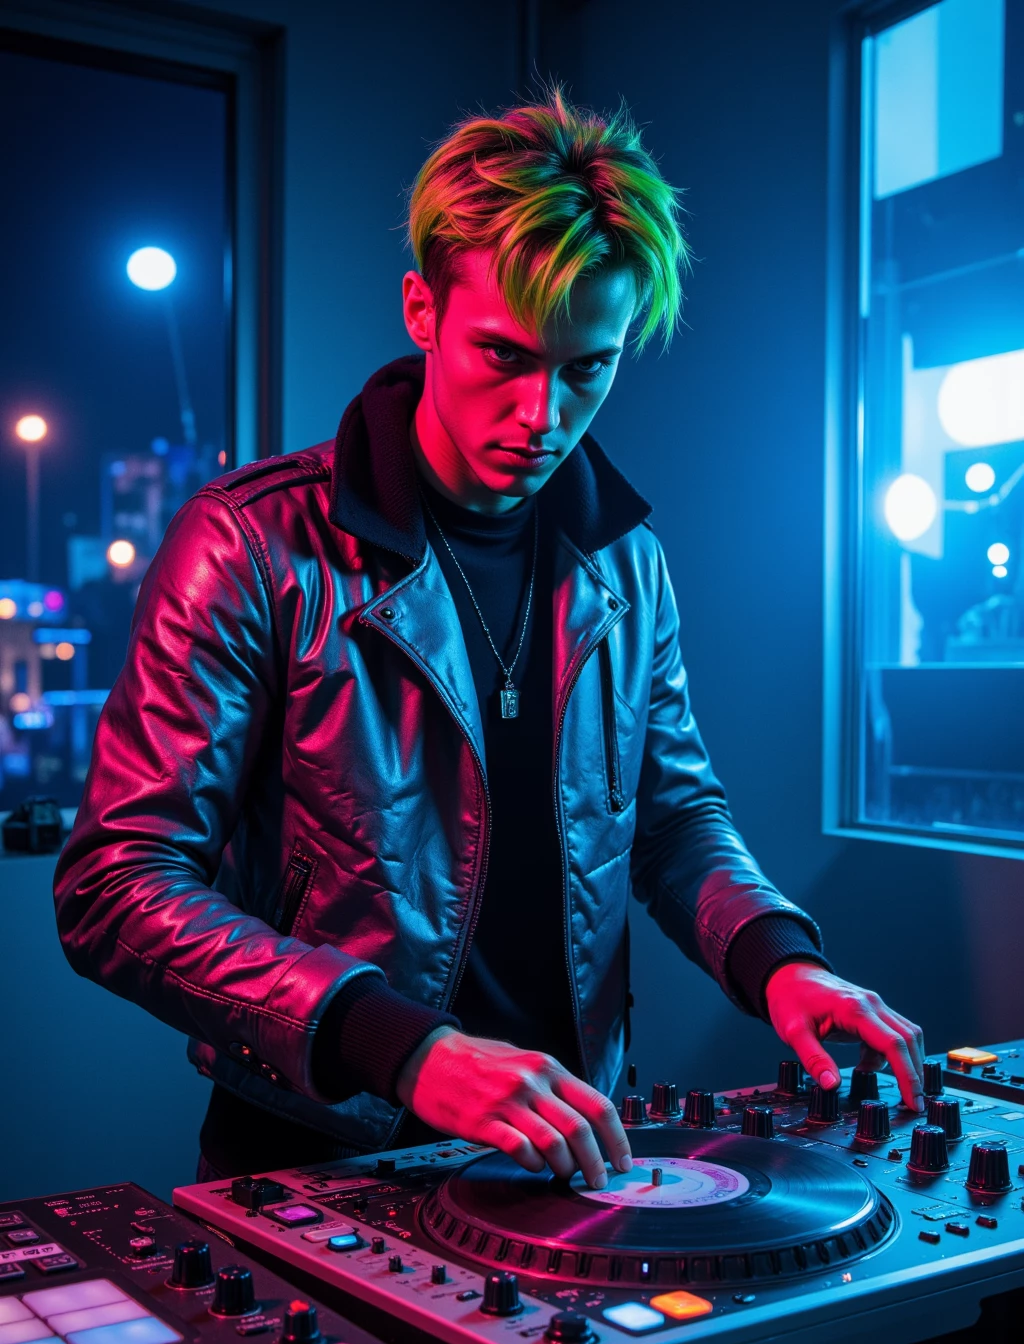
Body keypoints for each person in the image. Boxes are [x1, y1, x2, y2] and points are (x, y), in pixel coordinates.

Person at [54, 88, 925, 1189]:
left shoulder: (626, 561)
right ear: (421, 311)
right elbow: (116, 883)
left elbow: (671, 817)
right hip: (324, 1151)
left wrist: (777, 962)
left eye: (586, 369)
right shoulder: (248, 544)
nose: (542, 416)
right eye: (504, 357)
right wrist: (401, 1047)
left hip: (576, 1147)